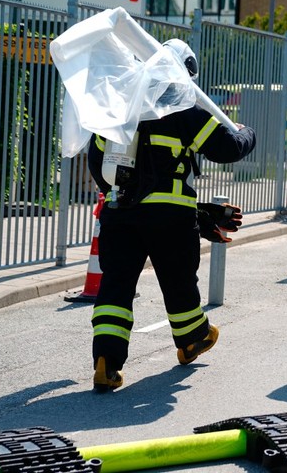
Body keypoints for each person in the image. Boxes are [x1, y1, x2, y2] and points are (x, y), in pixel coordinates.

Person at [87, 39, 257, 392]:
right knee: (178, 282)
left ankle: (106, 360)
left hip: (120, 215)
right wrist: (246, 133)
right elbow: (227, 149)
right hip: (171, 219)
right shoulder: (186, 112)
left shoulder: (121, 111)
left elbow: (96, 165)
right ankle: (193, 338)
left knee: (115, 286)